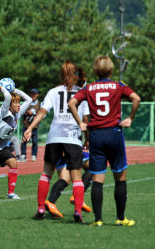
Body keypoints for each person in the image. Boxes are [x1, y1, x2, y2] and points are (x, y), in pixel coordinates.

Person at [68, 55, 141, 227]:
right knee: (120, 177)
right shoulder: (118, 86)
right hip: (114, 133)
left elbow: (72, 103)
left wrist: (81, 123)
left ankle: (98, 220)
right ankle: (120, 218)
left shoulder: (90, 88)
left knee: (97, 178)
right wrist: (130, 118)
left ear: (95, 70)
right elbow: (136, 98)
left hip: (96, 136)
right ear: (111, 69)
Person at [23, 60, 86, 223]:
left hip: (55, 137)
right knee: (77, 177)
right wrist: (88, 139)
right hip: (72, 137)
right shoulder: (82, 93)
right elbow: (86, 119)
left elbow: (42, 112)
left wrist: (29, 128)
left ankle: (41, 207)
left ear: (61, 74)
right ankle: (77, 211)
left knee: (46, 173)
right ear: (75, 74)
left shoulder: (53, 91)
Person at [21, 88, 40, 162]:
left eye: (34, 94)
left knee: (35, 141)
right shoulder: (26, 102)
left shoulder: (39, 103)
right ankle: (23, 155)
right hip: (26, 125)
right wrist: (27, 112)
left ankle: (34, 155)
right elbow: (20, 111)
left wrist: (35, 114)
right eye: (31, 94)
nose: (33, 95)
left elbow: (42, 114)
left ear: (37, 95)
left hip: (34, 127)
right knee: (24, 141)